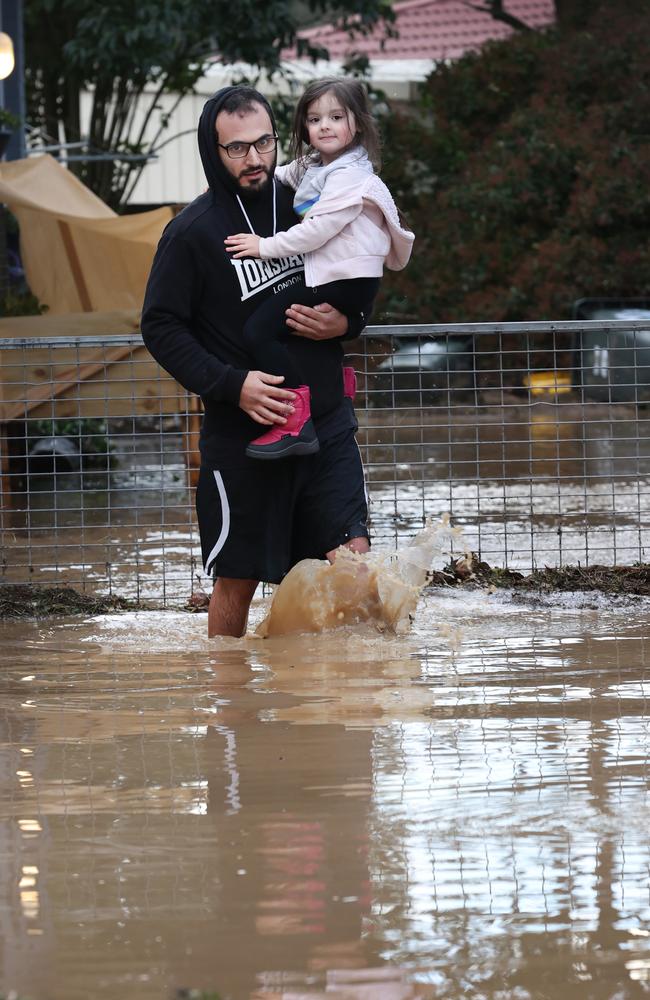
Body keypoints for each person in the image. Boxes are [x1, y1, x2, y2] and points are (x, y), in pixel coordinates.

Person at [140, 85, 378, 638]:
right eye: (237, 149)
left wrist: (352, 322)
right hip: (245, 438)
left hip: (327, 425)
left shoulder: (311, 200)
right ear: (212, 152)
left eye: (265, 143)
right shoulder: (191, 233)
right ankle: (233, 713)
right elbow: (160, 326)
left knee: (353, 567)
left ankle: (347, 713)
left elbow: (362, 271)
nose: (255, 160)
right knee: (236, 582)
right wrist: (232, 384)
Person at [225, 77, 414, 461]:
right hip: (343, 278)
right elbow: (281, 176)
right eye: (314, 119)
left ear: (356, 124)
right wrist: (245, 176)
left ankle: (295, 420)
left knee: (259, 331)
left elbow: (316, 231)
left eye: (335, 117)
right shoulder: (318, 166)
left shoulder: (349, 177)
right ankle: (339, 385)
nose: (324, 126)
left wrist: (264, 247)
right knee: (298, 330)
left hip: (347, 280)